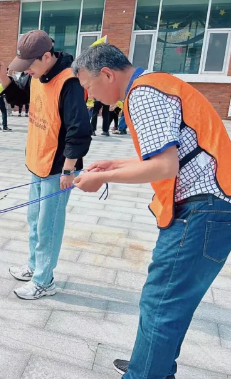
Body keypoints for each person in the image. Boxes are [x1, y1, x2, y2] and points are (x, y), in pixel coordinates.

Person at [72, 43, 231, 379]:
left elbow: (164, 166)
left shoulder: (142, 95)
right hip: (210, 209)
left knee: (162, 306)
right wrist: (114, 163)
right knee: (166, 304)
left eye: (88, 87)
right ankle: (149, 365)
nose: (89, 97)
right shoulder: (156, 83)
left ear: (107, 74)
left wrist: (102, 179)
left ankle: (146, 374)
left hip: (200, 212)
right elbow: (174, 154)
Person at [0, 30, 92, 300]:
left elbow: (79, 129)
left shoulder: (69, 83)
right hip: (38, 162)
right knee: (35, 220)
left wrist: (69, 170)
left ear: (47, 57)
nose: (28, 72)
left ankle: (44, 280)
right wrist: (4, 76)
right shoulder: (37, 75)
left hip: (59, 168)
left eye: (30, 67)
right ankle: (35, 266)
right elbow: (20, 98)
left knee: (48, 224)